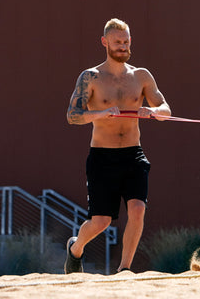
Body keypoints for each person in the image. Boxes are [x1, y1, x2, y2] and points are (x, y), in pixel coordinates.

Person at [64, 18, 171, 274]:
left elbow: (167, 109)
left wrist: (153, 111)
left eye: (126, 42)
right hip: (102, 158)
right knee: (100, 222)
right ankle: (75, 249)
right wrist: (99, 113)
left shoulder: (141, 75)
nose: (122, 47)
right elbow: (72, 115)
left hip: (133, 155)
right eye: (117, 42)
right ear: (105, 42)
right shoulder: (90, 77)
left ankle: (124, 270)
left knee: (137, 210)